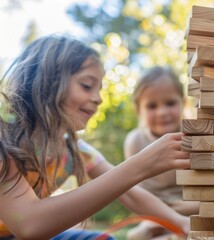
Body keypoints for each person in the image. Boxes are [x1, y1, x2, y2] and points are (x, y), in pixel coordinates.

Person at [0, 36, 190, 239]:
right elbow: (29, 224)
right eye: (87, 86)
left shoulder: (73, 150)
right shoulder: (5, 143)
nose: (98, 99)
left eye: (99, 89)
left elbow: (129, 193)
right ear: (48, 82)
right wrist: (141, 164)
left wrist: (180, 222)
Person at [124, 67, 199, 240]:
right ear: (138, 109)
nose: (162, 112)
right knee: (138, 236)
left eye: (170, 103)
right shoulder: (135, 141)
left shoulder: (196, 135)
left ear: (183, 102)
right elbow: (138, 192)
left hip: (196, 209)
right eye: (152, 106)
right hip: (157, 212)